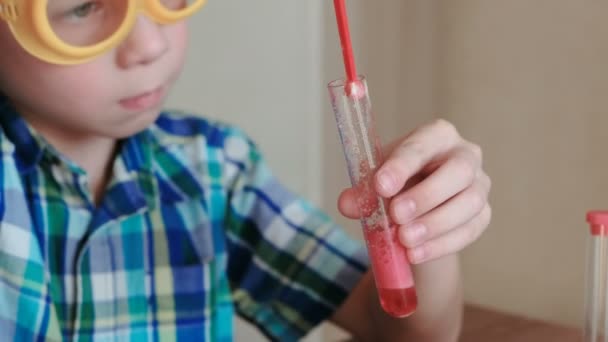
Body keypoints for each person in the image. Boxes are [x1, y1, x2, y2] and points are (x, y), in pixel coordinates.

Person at [0, 1, 491, 341]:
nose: (149, 45)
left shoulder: (214, 169)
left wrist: (422, 223)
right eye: (84, 6)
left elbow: (405, 331)